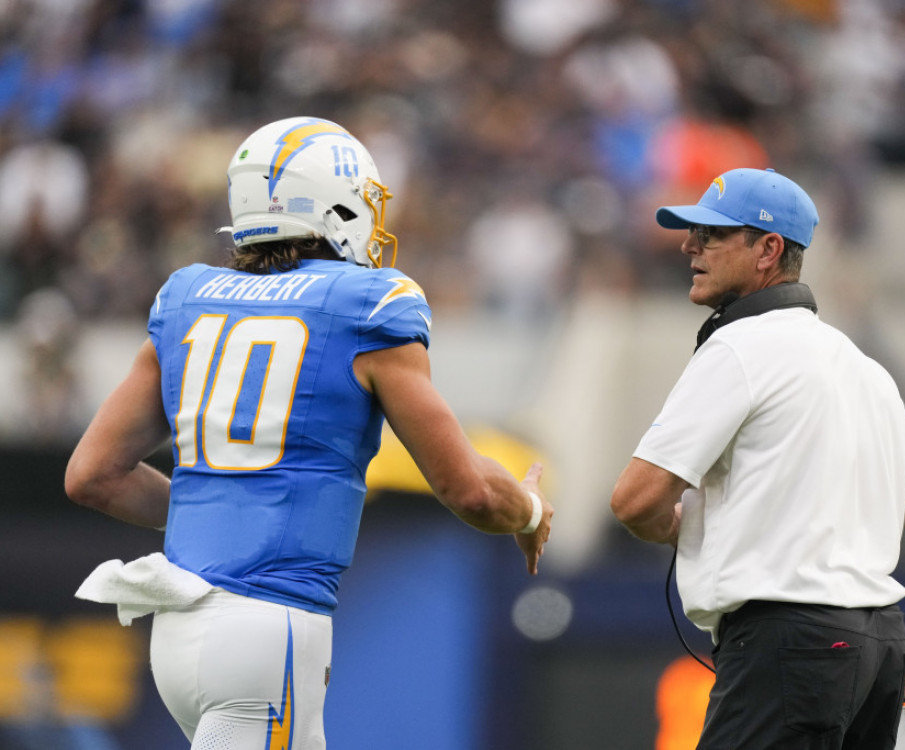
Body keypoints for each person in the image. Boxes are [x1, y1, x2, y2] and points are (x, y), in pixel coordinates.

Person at [64, 116, 553, 749]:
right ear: (336, 205)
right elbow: (472, 492)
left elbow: (92, 475)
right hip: (268, 630)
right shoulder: (368, 306)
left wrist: (220, 513)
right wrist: (531, 508)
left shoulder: (188, 296)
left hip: (178, 633)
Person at [610, 167, 905, 748]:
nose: (688, 245)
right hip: (881, 649)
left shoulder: (736, 347)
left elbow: (633, 501)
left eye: (714, 234)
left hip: (789, 643)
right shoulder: (862, 367)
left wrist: (681, 529)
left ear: (768, 249)